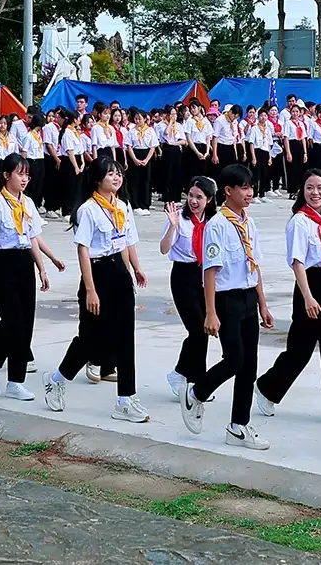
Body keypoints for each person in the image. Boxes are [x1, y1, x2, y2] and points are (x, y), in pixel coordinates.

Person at [45, 157, 151, 422]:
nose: (116, 177)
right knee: (92, 338)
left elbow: (127, 242)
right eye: (110, 174)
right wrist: (91, 289)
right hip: (97, 273)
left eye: (118, 173)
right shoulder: (88, 210)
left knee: (126, 337)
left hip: (119, 272)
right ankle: (57, 379)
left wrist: (135, 270)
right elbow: (83, 251)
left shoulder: (123, 207)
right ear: (97, 179)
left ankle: (125, 399)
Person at [180, 163, 273, 450]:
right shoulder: (217, 225)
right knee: (234, 359)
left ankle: (238, 426)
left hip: (247, 297)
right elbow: (210, 270)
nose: (249, 193)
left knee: (250, 366)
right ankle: (196, 392)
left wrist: (263, 304)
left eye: (251, 186)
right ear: (228, 191)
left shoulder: (249, 223)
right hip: (226, 300)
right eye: (243, 187)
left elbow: (254, 266)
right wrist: (210, 311)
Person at [255, 168, 321, 425]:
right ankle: (268, 387)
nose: (315, 193)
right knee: (300, 349)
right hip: (309, 285)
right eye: (310, 187)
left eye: (320, 187)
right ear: (302, 191)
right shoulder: (299, 221)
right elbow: (297, 261)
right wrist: (308, 297)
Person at [0, 152, 66, 400]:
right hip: (2, 263)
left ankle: (16, 381)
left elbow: (31, 238)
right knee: (13, 319)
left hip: (24, 263)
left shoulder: (26, 203)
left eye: (27, 174)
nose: (25, 178)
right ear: (7, 175)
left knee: (26, 323)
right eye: (20, 173)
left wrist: (44, 266)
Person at [159, 175, 217, 396]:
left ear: (209, 199)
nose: (193, 201)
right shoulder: (178, 218)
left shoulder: (212, 221)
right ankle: (186, 375)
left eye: (199, 197)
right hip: (183, 275)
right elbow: (164, 249)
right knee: (196, 329)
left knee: (203, 330)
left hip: (205, 275)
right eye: (191, 196)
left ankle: (192, 379)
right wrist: (172, 227)